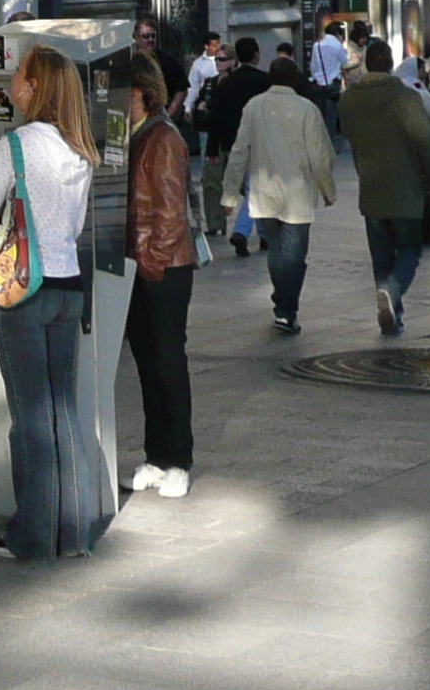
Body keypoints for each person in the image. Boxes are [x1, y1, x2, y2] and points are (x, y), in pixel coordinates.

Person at [0, 46, 106, 562]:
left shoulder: (15, 147)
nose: (13, 86)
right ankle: (72, 534)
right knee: (63, 412)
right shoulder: (80, 150)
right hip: (69, 287)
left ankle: (32, 535)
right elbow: (73, 228)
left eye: (19, 78)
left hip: (24, 291)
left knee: (29, 417)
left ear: (35, 88)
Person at [120, 54, 196, 495]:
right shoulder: (136, 135)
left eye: (126, 94)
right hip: (142, 262)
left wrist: (150, 260)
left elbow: (170, 214)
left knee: (168, 362)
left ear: (144, 93)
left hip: (164, 266)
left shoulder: (162, 139)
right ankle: (156, 455)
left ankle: (179, 458)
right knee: (148, 364)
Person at [222, 53, 334, 335]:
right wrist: (327, 190)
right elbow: (320, 156)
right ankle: (286, 308)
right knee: (295, 255)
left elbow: (239, 152)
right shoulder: (307, 109)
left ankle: (282, 304)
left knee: (276, 250)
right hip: (297, 195)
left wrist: (229, 194)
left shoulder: (254, 107)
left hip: (264, 193)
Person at [340, 38, 430, 330]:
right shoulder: (406, 97)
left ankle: (392, 314)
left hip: (371, 188)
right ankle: (393, 292)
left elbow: (348, 133)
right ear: (390, 64)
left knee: (381, 256)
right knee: (410, 248)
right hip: (406, 188)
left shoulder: (350, 100)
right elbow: (425, 144)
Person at [199, 37, 272, 253]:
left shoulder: (227, 83)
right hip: (258, 142)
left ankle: (264, 234)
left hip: (232, 143)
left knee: (252, 187)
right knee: (254, 188)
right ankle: (242, 231)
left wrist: (213, 148)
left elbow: (216, 118)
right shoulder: (265, 81)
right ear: (257, 54)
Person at [306, 20, 349, 143]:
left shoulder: (317, 45)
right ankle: (333, 139)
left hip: (320, 82)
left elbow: (313, 65)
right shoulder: (337, 45)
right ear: (337, 33)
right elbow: (344, 62)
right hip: (334, 82)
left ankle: (323, 138)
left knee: (322, 112)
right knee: (333, 112)